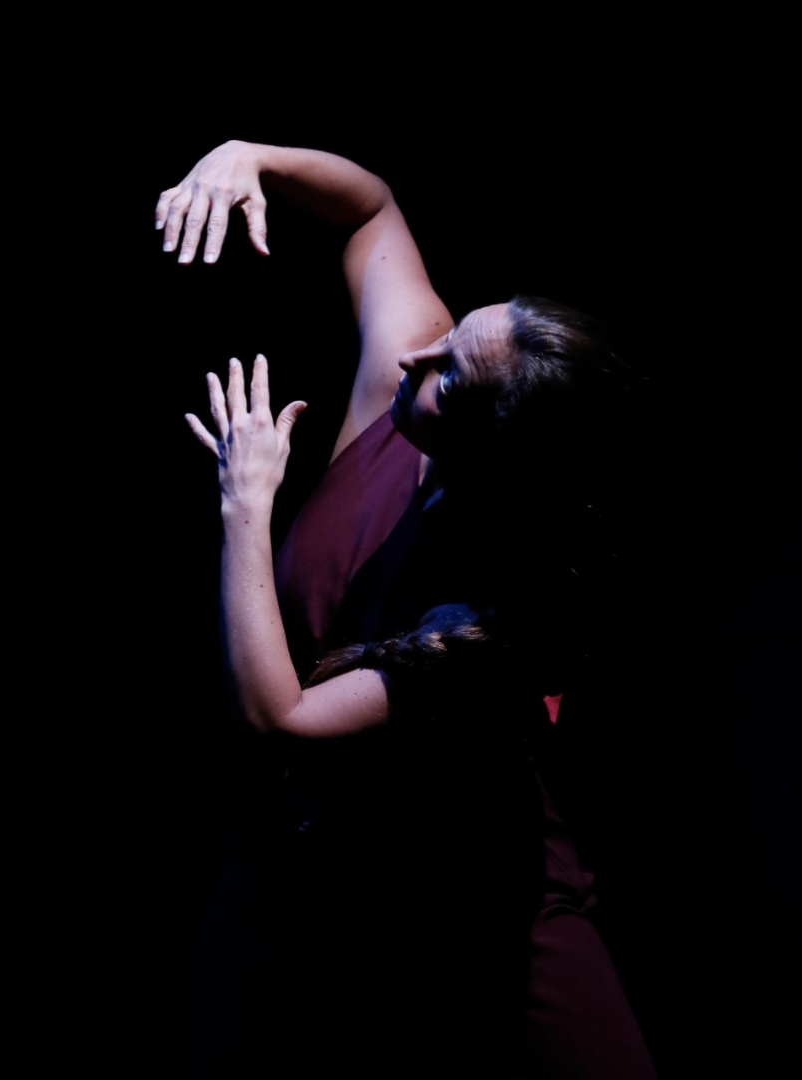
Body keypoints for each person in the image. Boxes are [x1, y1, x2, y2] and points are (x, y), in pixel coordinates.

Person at [162, 141, 656, 1078]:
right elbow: (370, 211)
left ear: (492, 460)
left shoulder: (488, 622)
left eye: (450, 375)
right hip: (299, 864)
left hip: (466, 883)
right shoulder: (406, 392)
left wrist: (245, 502)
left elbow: (279, 717)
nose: (415, 353)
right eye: (450, 331)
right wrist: (247, 157)